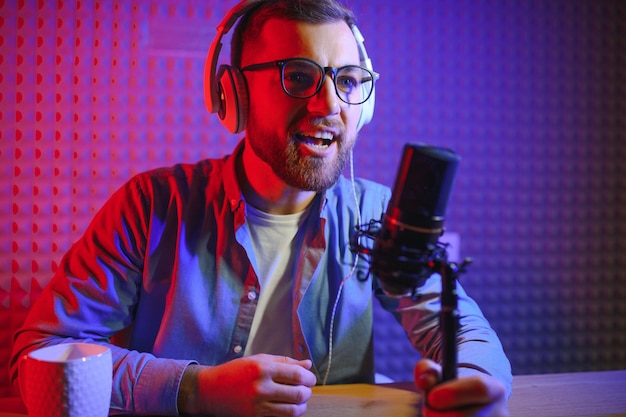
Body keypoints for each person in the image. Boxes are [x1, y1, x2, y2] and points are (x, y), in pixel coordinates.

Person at [11, 0, 512, 416]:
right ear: (235, 93)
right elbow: (37, 357)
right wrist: (194, 390)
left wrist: (476, 375)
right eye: (298, 76)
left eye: (350, 81)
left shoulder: (377, 214)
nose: (328, 106)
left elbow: (462, 329)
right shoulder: (151, 207)